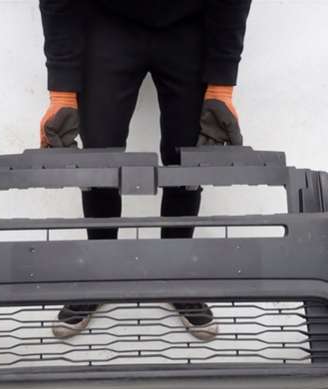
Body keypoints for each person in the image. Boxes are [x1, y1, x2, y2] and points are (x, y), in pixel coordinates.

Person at [38, 0, 252, 339]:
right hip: (109, 21)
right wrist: (61, 93)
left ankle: (176, 274)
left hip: (190, 24)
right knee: (99, 158)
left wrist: (221, 86)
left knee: (188, 157)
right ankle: (99, 272)